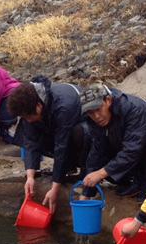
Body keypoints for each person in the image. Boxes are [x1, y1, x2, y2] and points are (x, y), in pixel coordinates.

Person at [7, 75, 90, 215]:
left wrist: (54, 188)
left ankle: (84, 169)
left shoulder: (63, 106)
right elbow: (31, 142)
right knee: (30, 130)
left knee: (79, 133)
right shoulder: (32, 107)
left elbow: (61, 146)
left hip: (84, 128)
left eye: (29, 116)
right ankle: (67, 168)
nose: (28, 119)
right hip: (57, 127)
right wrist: (30, 177)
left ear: (39, 105)